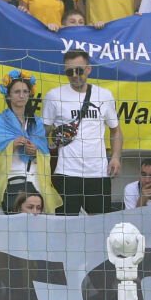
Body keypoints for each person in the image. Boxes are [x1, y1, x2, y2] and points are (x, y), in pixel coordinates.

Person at [40, 48, 120, 214]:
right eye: (70, 72)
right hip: (66, 172)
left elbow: (116, 131)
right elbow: (42, 132)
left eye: (79, 70)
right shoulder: (53, 96)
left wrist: (116, 157)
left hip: (99, 173)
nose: (75, 75)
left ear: (89, 69)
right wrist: (50, 145)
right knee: (65, 228)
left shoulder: (104, 95)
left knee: (100, 226)